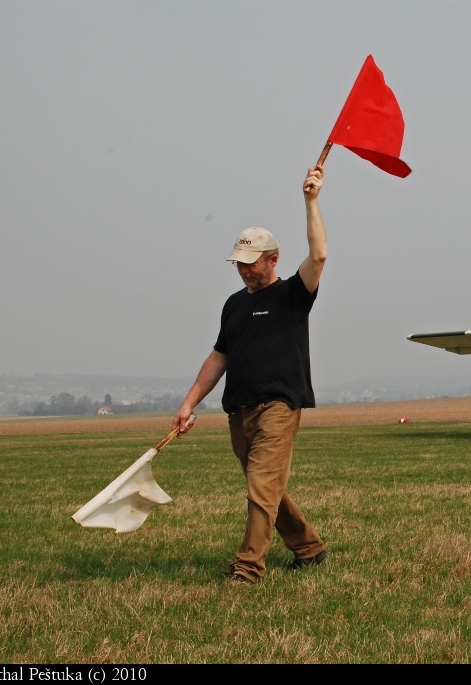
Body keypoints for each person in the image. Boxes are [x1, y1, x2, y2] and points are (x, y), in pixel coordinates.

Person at [172, 166, 328, 584]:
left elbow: (319, 256)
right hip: (238, 412)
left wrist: (311, 201)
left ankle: (247, 568)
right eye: (238, 263)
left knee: (260, 489)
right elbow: (218, 357)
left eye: (250, 263)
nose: (242, 270)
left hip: (278, 407)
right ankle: (309, 549)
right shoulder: (233, 305)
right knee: (269, 488)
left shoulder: (294, 294)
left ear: (273, 259)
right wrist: (189, 402)